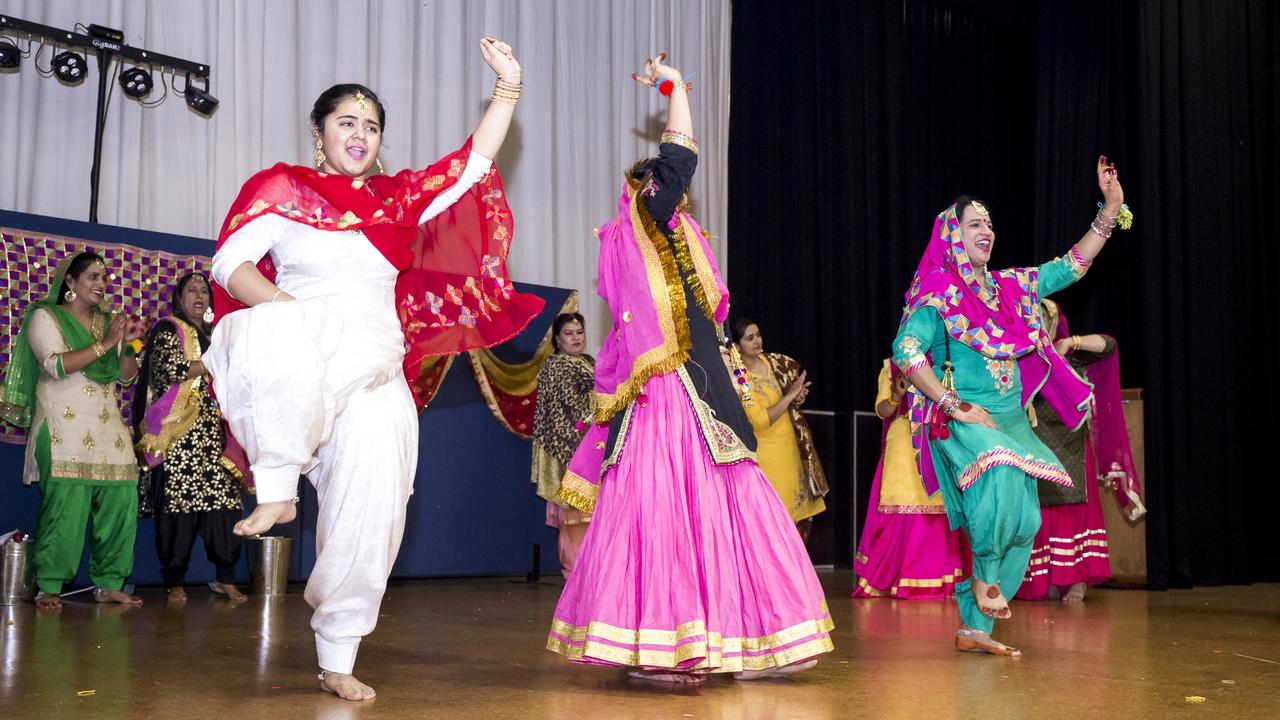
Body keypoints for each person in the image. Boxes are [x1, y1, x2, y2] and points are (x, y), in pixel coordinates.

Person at [203, 38, 541, 701]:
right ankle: (276, 485)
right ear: (318, 132)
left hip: (376, 375)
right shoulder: (283, 188)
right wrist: (295, 311)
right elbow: (228, 265)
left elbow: (471, 164)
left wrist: (508, 87)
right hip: (301, 358)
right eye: (346, 122)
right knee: (269, 327)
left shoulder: (398, 200)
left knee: (374, 512)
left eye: (372, 125)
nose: (360, 134)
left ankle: (337, 657)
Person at [546, 54, 833, 683]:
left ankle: (747, 637)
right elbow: (679, 157)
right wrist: (674, 88)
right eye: (661, 190)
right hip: (667, 392)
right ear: (646, 195)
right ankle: (666, 643)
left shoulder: (675, 244)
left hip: (700, 388)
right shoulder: (648, 221)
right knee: (668, 503)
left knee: (727, 500)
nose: (673, 199)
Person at [891, 156, 1128, 657]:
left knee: (1026, 520)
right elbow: (907, 353)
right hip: (965, 419)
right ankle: (982, 580)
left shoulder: (1010, 291)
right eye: (975, 223)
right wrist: (952, 405)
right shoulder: (938, 291)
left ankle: (974, 629)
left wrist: (1110, 210)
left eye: (991, 224)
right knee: (997, 477)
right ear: (952, 234)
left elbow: (1070, 267)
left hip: (1012, 421)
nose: (988, 230)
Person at [0, 251, 146, 610]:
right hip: (63, 427)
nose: (101, 284)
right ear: (70, 282)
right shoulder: (45, 317)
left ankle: (109, 582)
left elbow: (126, 376)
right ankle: (49, 585)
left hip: (108, 428)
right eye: (93, 277)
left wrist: (130, 344)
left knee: (121, 501)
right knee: (65, 506)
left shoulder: (107, 322)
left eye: (104, 278)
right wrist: (107, 344)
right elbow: (54, 366)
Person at [133, 273, 246, 603]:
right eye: (191, 290)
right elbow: (171, 370)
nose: (199, 296)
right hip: (181, 436)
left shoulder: (216, 333)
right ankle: (174, 581)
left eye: (204, 291)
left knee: (224, 507)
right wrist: (216, 361)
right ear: (178, 297)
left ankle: (225, 577)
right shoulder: (169, 328)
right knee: (178, 511)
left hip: (215, 436)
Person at [1017, 298, 1139, 602]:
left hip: (1070, 448)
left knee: (1072, 509)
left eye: (1045, 318)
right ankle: (1043, 580)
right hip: (1034, 445)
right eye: (1034, 318)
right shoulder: (1019, 358)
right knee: (1036, 512)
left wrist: (1071, 343)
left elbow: (1109, 345)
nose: (1040, 323)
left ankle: (1076, 581)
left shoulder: (1070, 357)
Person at [852, 359, 968, 599]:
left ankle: (945, 580)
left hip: (937, 437)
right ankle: (898, 576)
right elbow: (882, 410)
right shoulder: (892, 366)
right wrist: (896, 395)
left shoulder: (946, 360)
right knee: (901, 504)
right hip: (903, 438)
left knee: (940, 507)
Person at [728, 318, 828, 540]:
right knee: (773, 524)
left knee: (799, 520)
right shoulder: (739, 377)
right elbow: (759, 421)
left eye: (758, 335)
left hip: (791, 451)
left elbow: (787, 405)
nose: (757, 341)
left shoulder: (775, 363)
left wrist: (797, 397)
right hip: (767, 458)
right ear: (736, 346)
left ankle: (795, 573)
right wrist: (790, 395)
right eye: (749, 338)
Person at [531, 312, 596, 578]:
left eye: (579, 332)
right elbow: (573, 409)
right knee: (575, 518)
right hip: (570, 450)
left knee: (592, 519)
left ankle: (592, 574)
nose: (575, 338)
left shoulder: (588, 363)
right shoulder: (556, 365)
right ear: (557, 339)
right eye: (568, 333)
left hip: (592, 448)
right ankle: (576, 575)